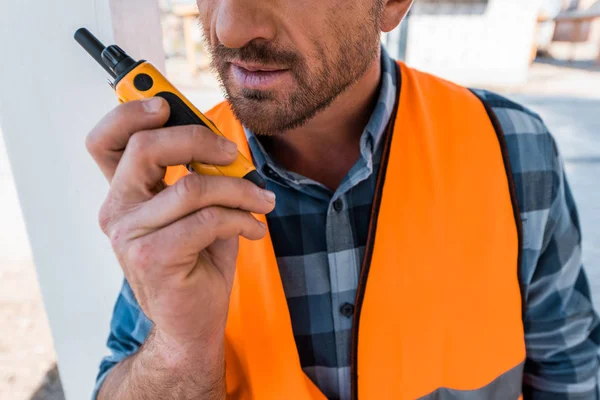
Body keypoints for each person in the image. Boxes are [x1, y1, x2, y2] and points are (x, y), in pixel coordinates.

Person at [87, 0, 600, 399]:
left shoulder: (511, 149)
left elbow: (569, 373)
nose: (229, 28)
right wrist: (179, 352)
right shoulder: (175, 183)